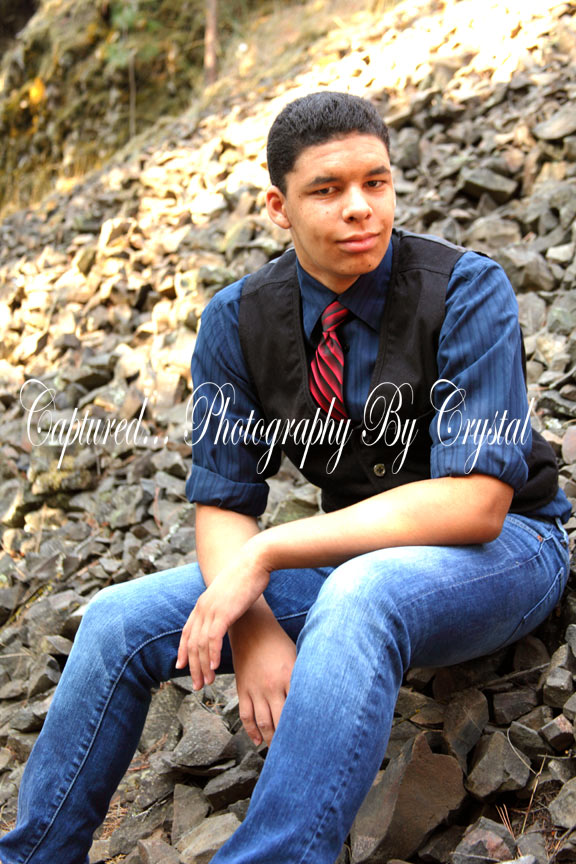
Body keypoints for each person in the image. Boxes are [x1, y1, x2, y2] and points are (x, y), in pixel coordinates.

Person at [0, 91, 571, 864]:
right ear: (279, 207)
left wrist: (268, 556)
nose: (360, 207)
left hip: (509, 548)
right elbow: (223, 500)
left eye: (376, 182)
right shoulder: (236, 322)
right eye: (327, 190)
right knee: (114, 620)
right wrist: (256, 626)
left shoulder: (466, 288)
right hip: (356, 556)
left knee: (359, 593)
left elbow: (477, 504)